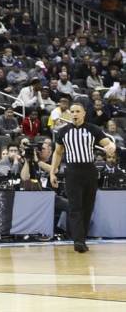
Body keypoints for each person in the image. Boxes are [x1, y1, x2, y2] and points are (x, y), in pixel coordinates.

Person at [50, 103, 117, 253]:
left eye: (77, 111)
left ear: (84, 113)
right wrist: (52, 172)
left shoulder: (92, 129)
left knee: (87, 207)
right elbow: (58, 153)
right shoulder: (63, 131)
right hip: (72, 171)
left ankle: (82, 238)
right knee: (75, 207)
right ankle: (78, 241)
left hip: (89, 171)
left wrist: (111, 146)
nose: (74, 114)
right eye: (72, 111)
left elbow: (107, 143)